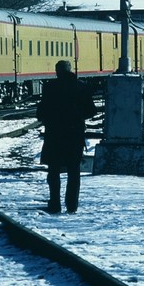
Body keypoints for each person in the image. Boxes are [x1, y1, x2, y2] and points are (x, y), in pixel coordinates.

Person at [36, 60, 97, 213]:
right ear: (70, 70)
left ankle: (55, 204)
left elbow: (40, 113)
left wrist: (49, 119)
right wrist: (78, 117)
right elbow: (91, 111)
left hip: (54, 135)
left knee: (54, 171)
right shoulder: (81, 87)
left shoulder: (50, 87)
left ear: (57, 71)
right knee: (74, 171)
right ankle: (72, 205)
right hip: (74, 135)